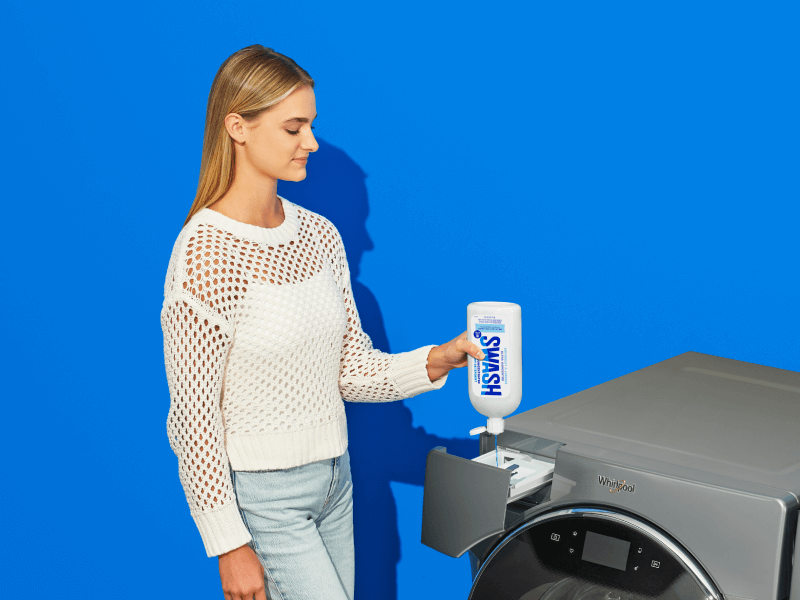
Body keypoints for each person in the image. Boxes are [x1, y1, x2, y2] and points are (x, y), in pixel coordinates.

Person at [160, 44, 484, 600]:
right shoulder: (204, 254)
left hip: (337, 481)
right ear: (238, 127)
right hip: (265, 500)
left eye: (311, 125)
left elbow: (349, 369)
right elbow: (193, 422)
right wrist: (229, 545)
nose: (311, 142)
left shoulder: (319, 235)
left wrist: (437, 359)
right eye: (294, 128)